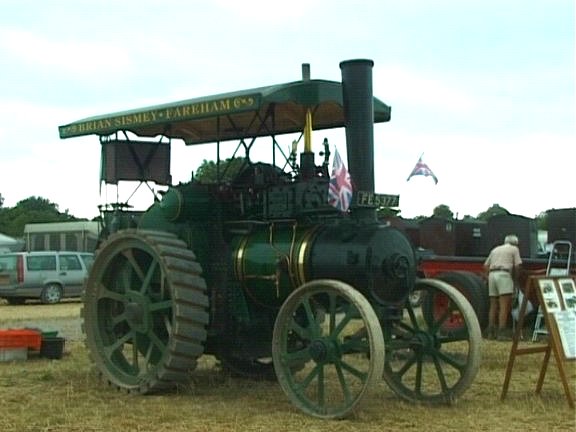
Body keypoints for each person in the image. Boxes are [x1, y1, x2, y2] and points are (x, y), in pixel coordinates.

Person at [483, 234, 523, 340]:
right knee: (504, 306)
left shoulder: (495, 249)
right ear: (515, 243)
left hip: (492, 274)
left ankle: (490, 332)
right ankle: (502, 333)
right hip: (504, 275)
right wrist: (515, 279)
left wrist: (488, 278)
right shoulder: (514, 249)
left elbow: (485, 265)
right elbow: (517, 266)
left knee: (493, 305)